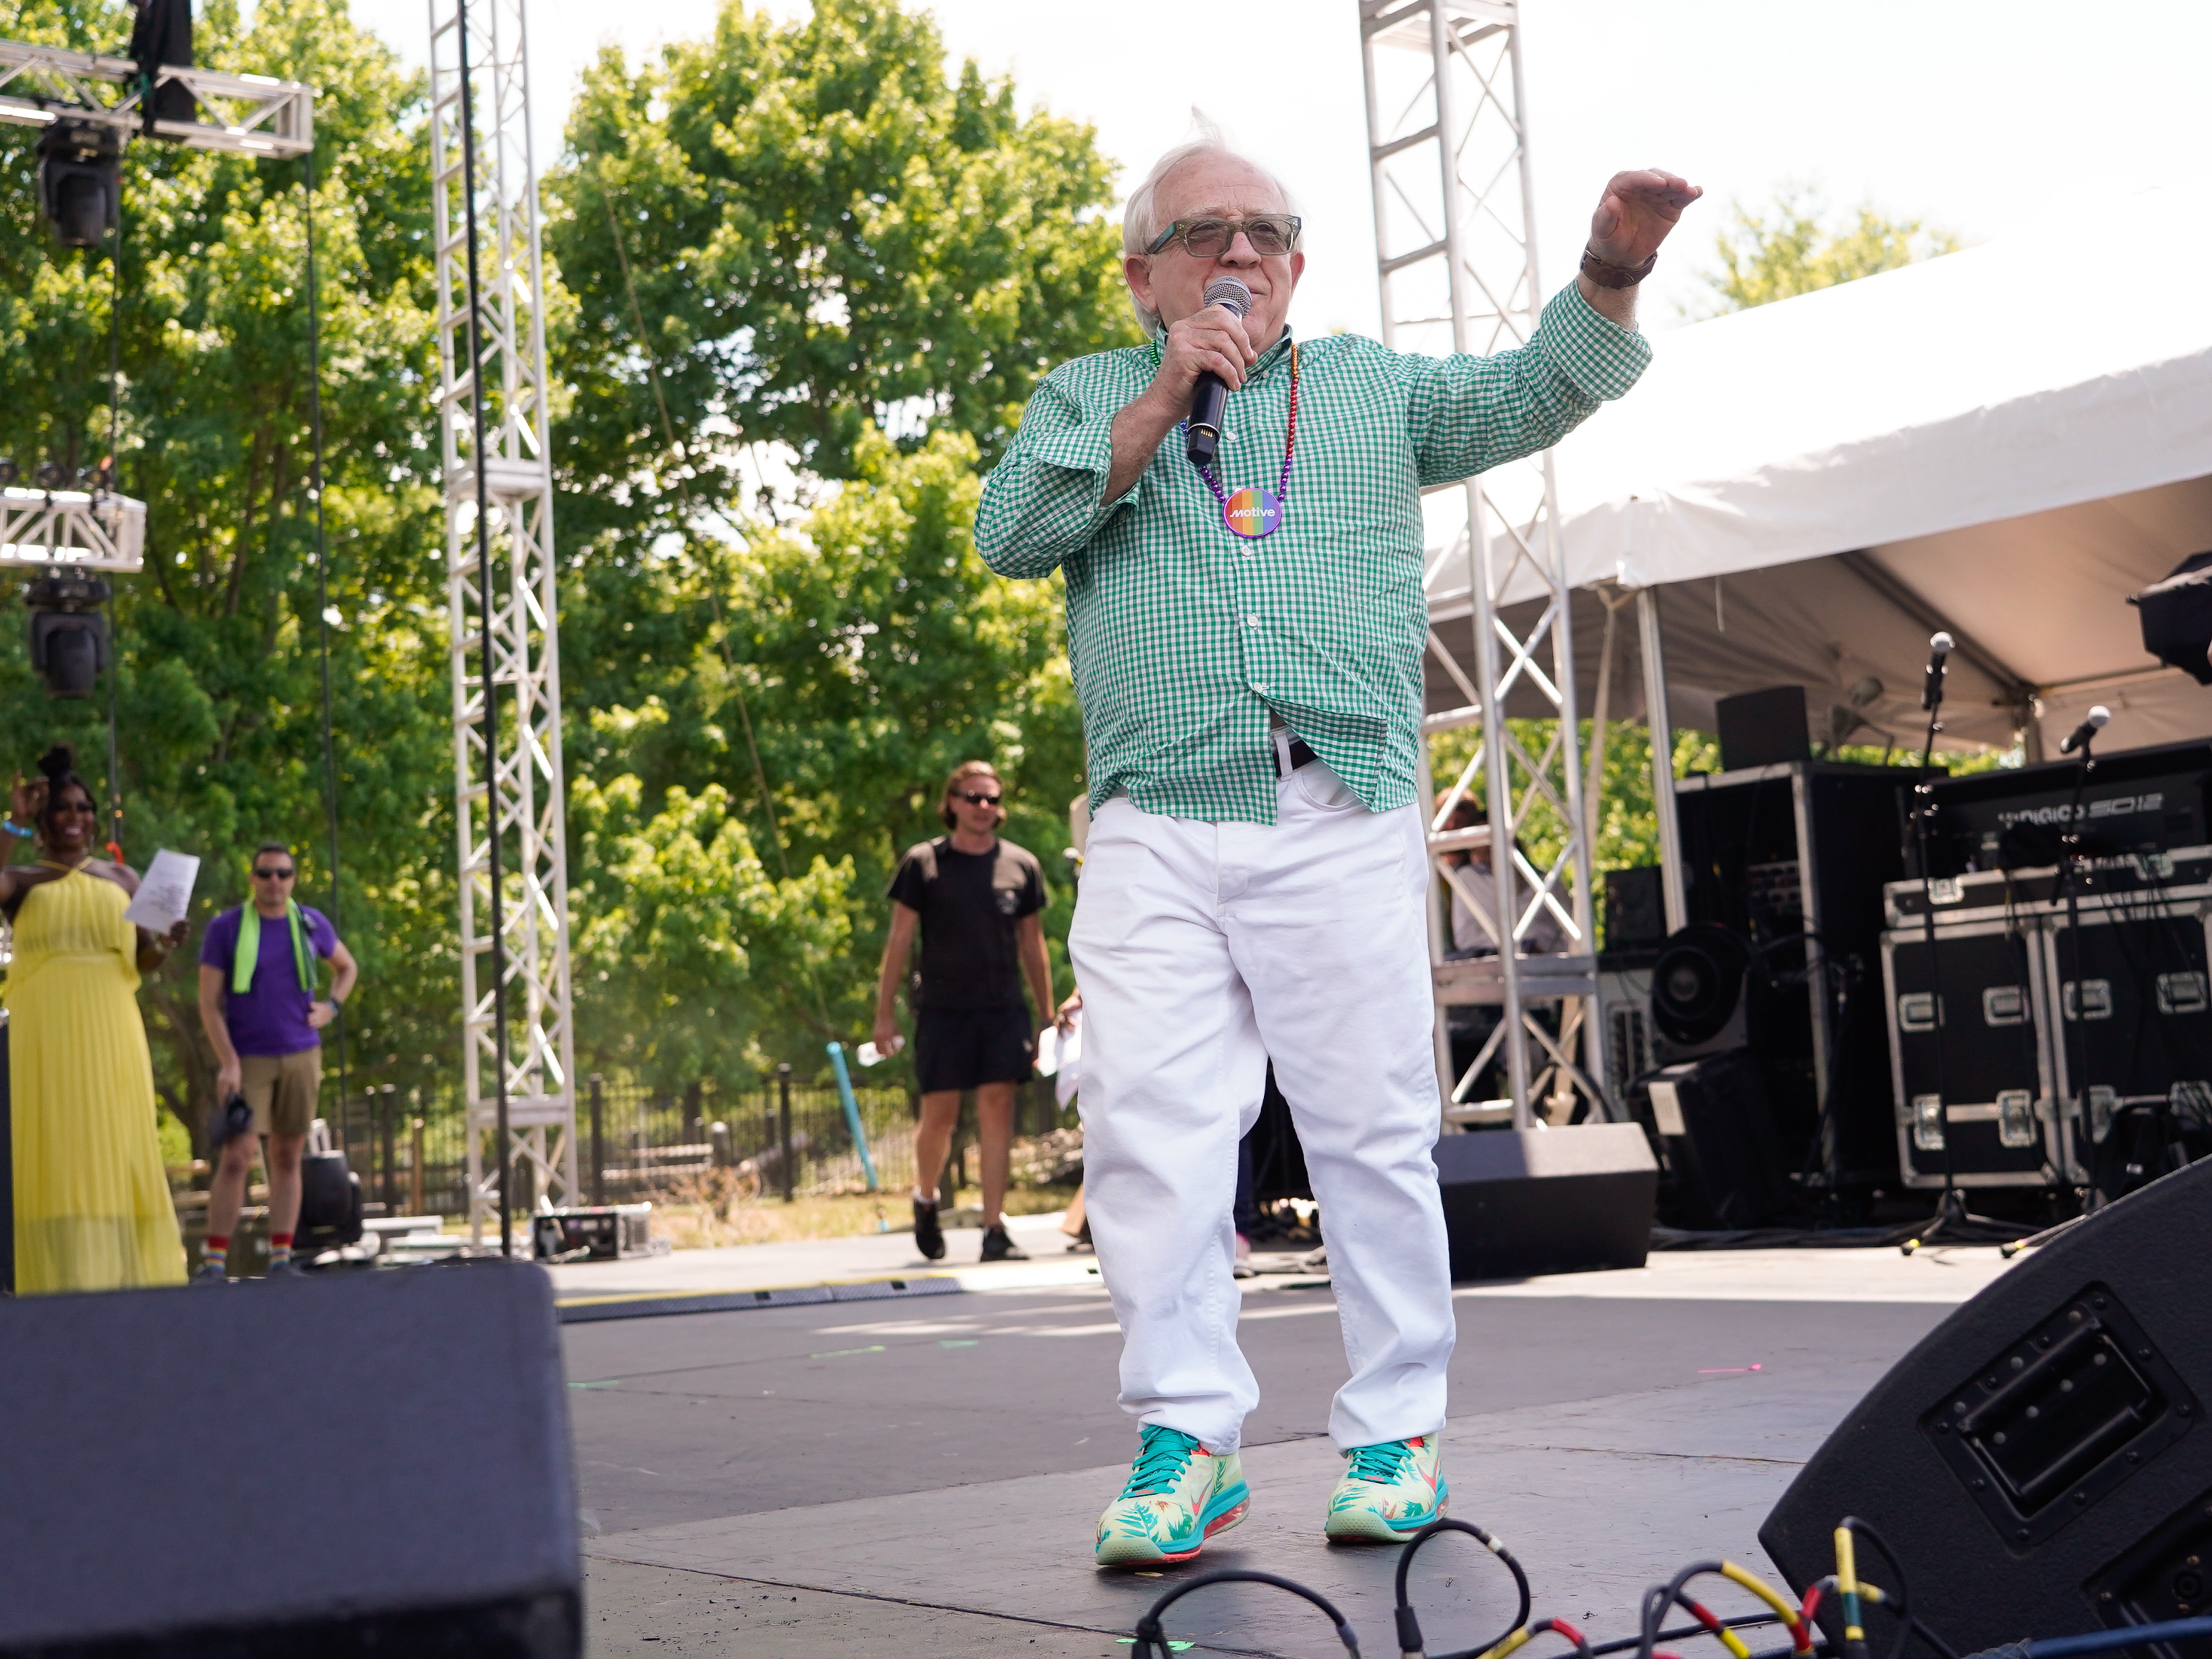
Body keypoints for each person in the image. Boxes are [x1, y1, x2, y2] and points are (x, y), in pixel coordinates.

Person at [974, 131, 1697, 1565]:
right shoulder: (1084, 395)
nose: (1237, 251)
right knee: (1146, 1138)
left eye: (1264, 230)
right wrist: (1166, 393)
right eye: (1203, 234)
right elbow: (1014, 529)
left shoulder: (1365, 388)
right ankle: (1188, 1441)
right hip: (1153, 814)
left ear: (1298, 263)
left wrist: (1612, 266)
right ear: (1141, 276)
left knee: (1367, 1129)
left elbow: (1533, 391)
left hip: (1335, 799)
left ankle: (1394, 1431)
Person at [5, 745, 191, 1293]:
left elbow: (142, 959)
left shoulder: (123, 877)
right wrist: (11, 823)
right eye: (63, 808)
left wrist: (167, 944)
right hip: (46, 1027)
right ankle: (59, 1281)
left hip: (112, 1022)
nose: (76, 818)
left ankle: (127, 1282)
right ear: (43, 818)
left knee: (119, 1140)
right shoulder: (21, 879)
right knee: (60, 1146)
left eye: (84, 808)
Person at [874, 761, 1063, 1264]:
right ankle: (926, 1199)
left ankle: (993, 1229)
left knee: (998, 1111)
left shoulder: (1020, 865)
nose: (983, 807)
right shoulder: (923, 863)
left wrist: (1046, 1013)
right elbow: (898, 940)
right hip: (942, 1010)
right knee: (940, 1116)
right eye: (972, 797)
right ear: (952, 802)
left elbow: (1033, 943)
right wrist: (884, 1015)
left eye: (991, 798)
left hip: (1002, 1009)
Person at [194, 842, 357, 1282]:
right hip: (248, 1058)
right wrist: (227, 1061)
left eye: (283, 874)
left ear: (293, 878)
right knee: (238, 1154)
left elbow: (347, 967)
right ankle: (214, 1262)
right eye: (266, 873)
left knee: (287, 1155)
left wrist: (331, 1008)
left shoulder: (309, 923)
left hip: (301, 1052)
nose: (275, 882)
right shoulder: (225, 929)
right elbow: (208, 1004)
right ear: (253, 878)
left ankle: (282, 1258)